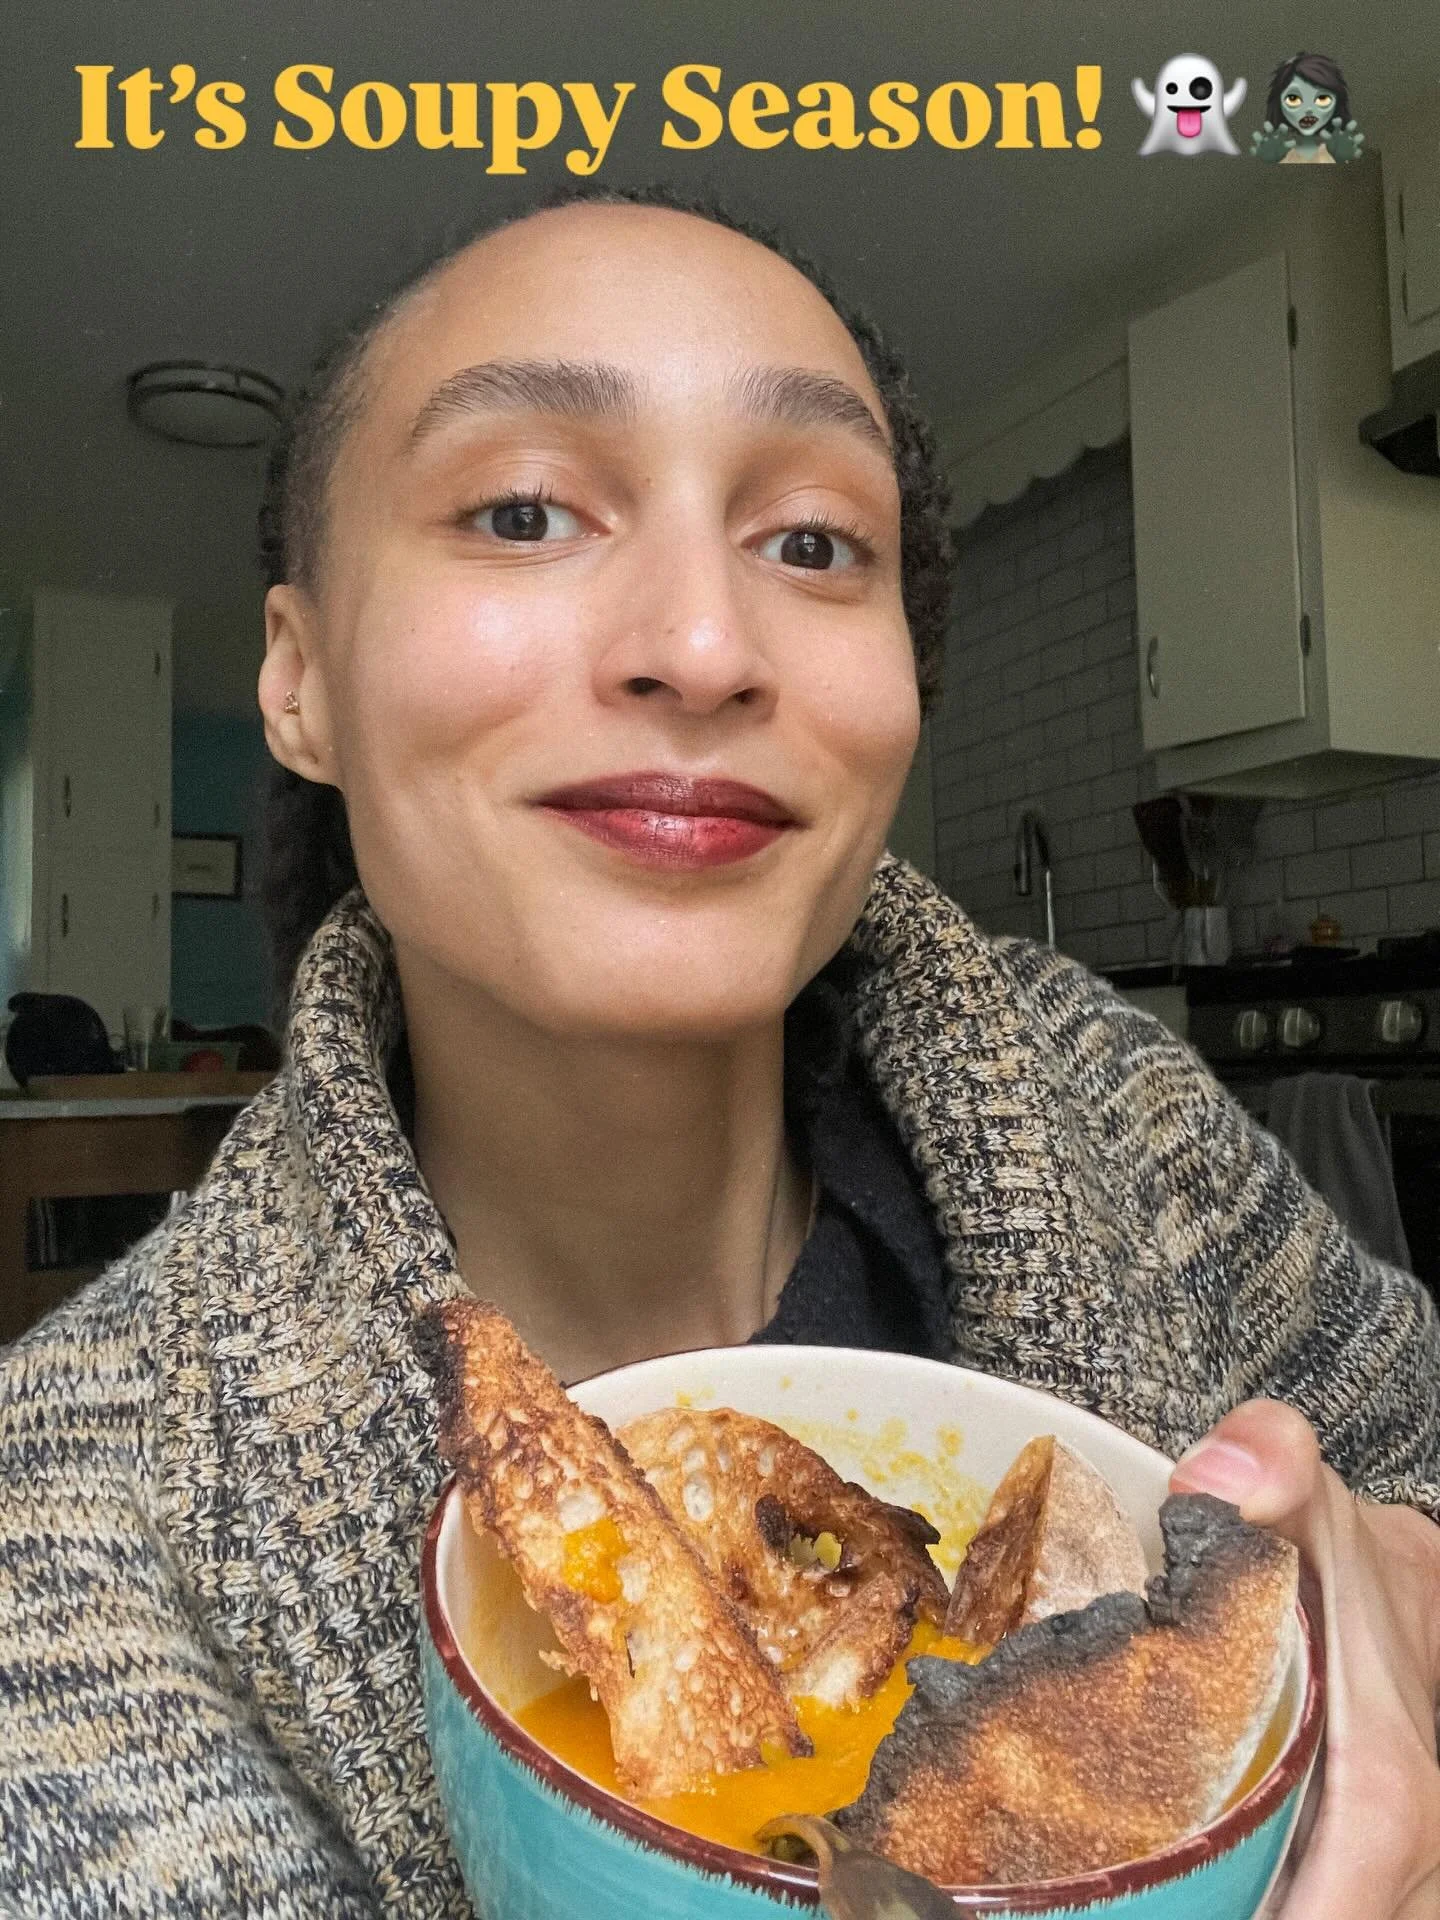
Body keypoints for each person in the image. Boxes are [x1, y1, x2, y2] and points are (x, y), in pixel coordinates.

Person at [1, 181, 1436, 1917]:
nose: (702, 647)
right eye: (523, 510)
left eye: (814, 543)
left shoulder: (1111, 1104)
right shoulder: (68, 1521)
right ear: (299, 682)